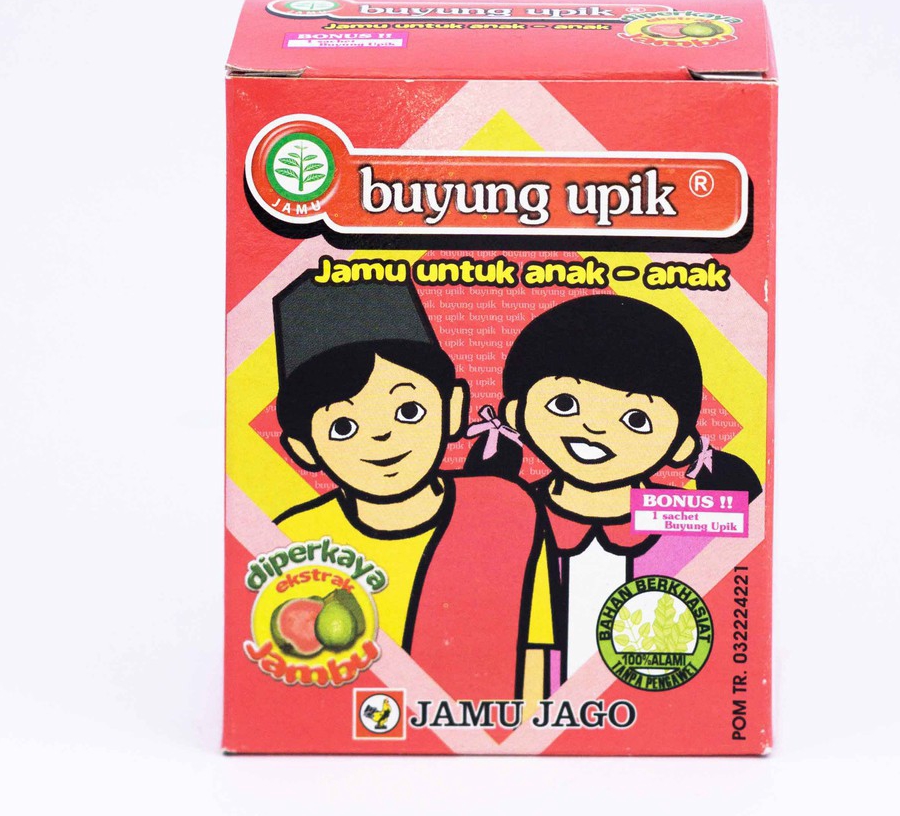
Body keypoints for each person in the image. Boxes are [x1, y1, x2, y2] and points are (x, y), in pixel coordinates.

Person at [270, 270, 553, 702]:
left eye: (408, 411)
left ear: (453, 409)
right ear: (304, 449)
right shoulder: (294, 537)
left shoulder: (507, 509)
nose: (382, 436)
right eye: (344, 427)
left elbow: (536, 649)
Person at [479, 294, 761, 685]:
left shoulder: (684, 517)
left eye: (636, 419)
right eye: (564, 403)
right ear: (515, 413)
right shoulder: (514, 514)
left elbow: (744, 559)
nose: (594, 428)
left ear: (680, 444)